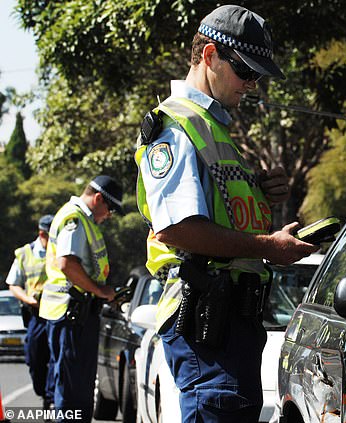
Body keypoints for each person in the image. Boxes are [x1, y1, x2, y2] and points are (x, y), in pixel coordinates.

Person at [134, 5, 319, 422]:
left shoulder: (212, 127)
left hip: (229, 320)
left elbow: (219, 212)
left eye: (257, 75)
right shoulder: (175, 127)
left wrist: (261, 194)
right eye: (245, 71)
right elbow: (179, 228)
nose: (252, 84)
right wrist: (268, 246)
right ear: (210, 55)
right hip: (205, 319)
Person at [38, 175, 121, 422]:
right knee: (72, 392)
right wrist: (100, 290)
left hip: (76, 315)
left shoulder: (82, 219)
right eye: (110, 210)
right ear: (98, 199)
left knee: (77, 389)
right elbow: (67, 264)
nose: (108, 216)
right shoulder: (75, 218)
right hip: (71, 314)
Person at [7, 214, 55, 410]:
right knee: (34, 358)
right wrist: (28, 299)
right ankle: (43, 391)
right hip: (35, 315)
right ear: (42, 233)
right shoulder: (25, 253)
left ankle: (51, 399)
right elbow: (13, 284)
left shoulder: (62, 252)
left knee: (56, 357)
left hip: (56, 313)